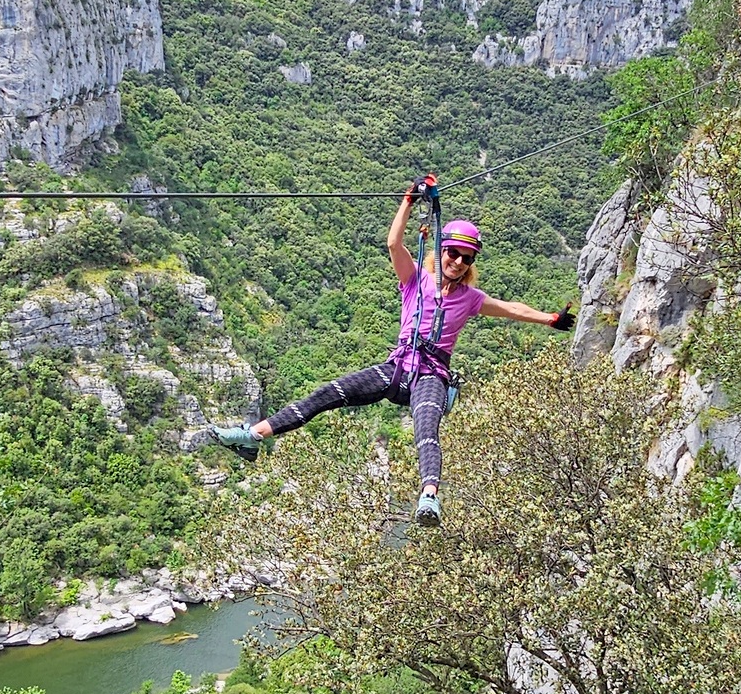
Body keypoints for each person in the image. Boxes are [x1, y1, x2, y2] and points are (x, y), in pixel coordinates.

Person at [210, 182, 575, 527]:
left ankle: (429, 497)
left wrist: (551, 319)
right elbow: (393, 244)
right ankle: (253, 436)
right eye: (453, 253)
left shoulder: (471, 299)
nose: (459, 262)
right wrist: (408, 200)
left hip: (431, 375)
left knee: (426, 428)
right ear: (442, 250)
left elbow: (513, 308)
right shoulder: (416, 278)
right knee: (328, 394)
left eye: (467, 257)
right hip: (397, 368)